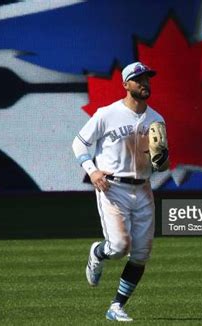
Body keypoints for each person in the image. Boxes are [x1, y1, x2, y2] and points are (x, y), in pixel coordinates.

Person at [72, 61, 169, 321]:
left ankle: (116, 307)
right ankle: (97, 253)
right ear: (126, 85)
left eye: (147, 78)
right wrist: (92, 170)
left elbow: (160, 164)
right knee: (118, 247)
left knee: (140, 254)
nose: (145, 83)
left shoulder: (156, 119)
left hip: (144, 190)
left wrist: (161, 159)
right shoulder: (107, 114)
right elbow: (79, 144)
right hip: (112, 188)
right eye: (139, 79)